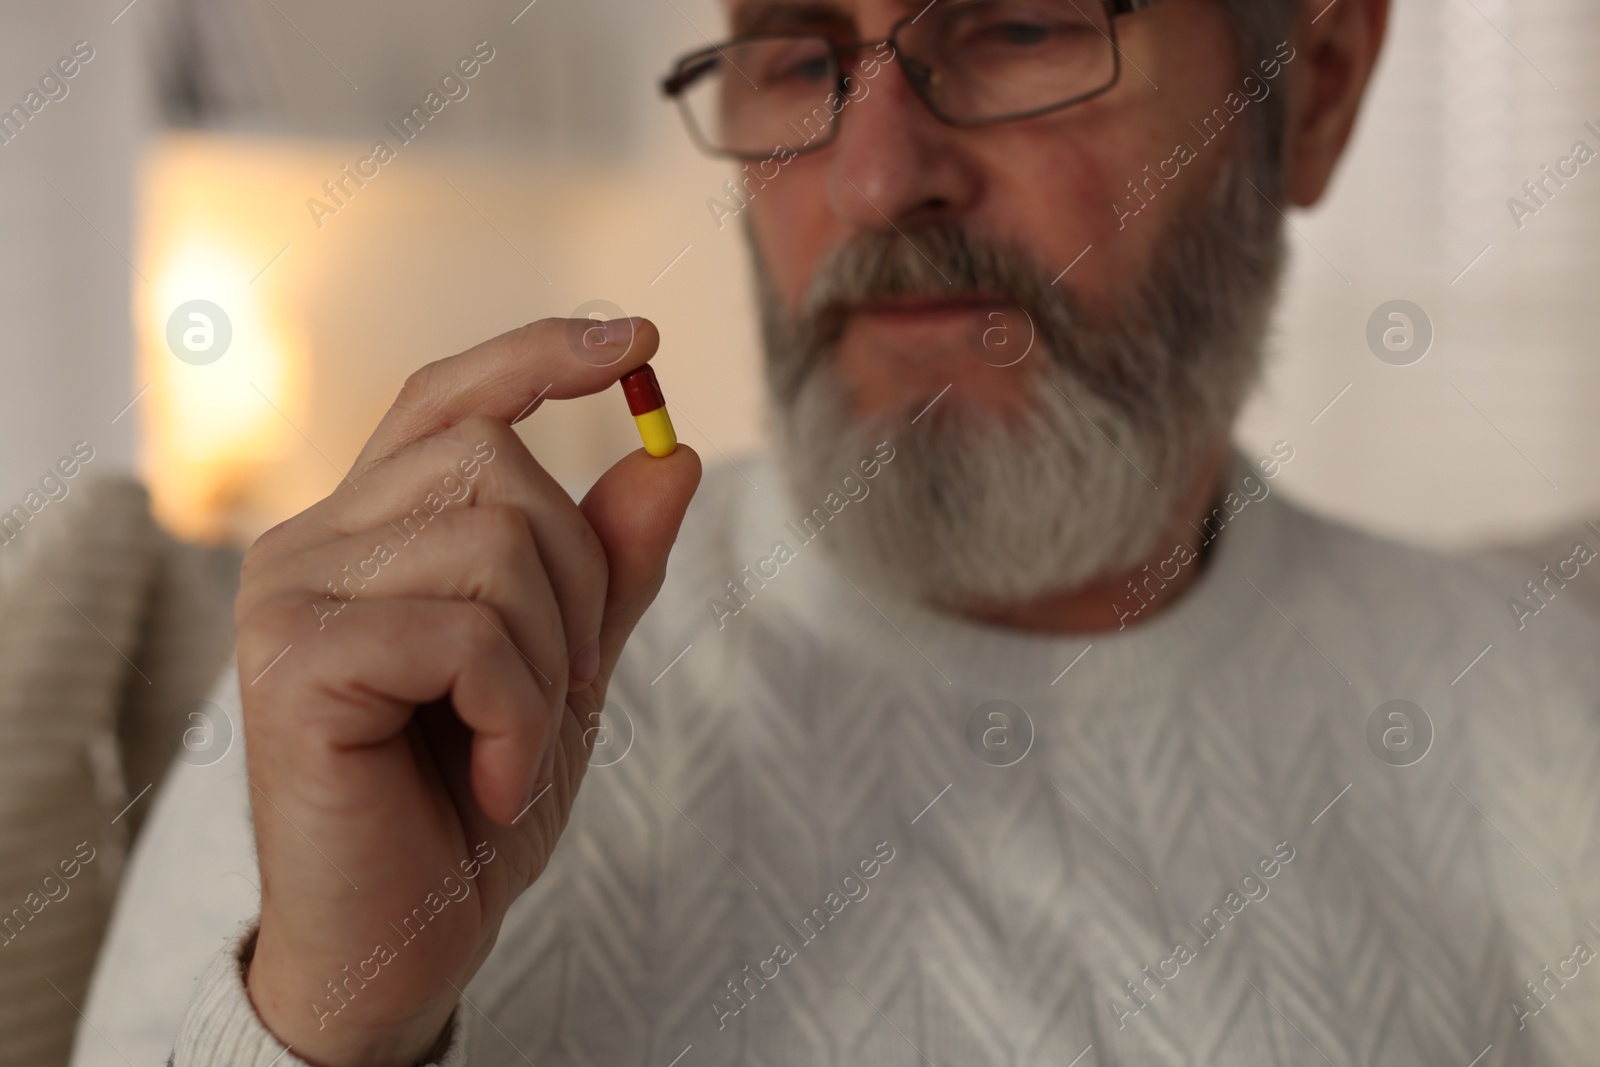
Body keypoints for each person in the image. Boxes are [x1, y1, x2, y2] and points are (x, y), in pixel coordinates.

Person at [79, 0, 1600, 1064]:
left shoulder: (1540, 710)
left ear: (1313, 88)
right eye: (795, 53)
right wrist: (328, 1028)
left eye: (1018, 25)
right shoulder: (387, 706)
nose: (874, 178)